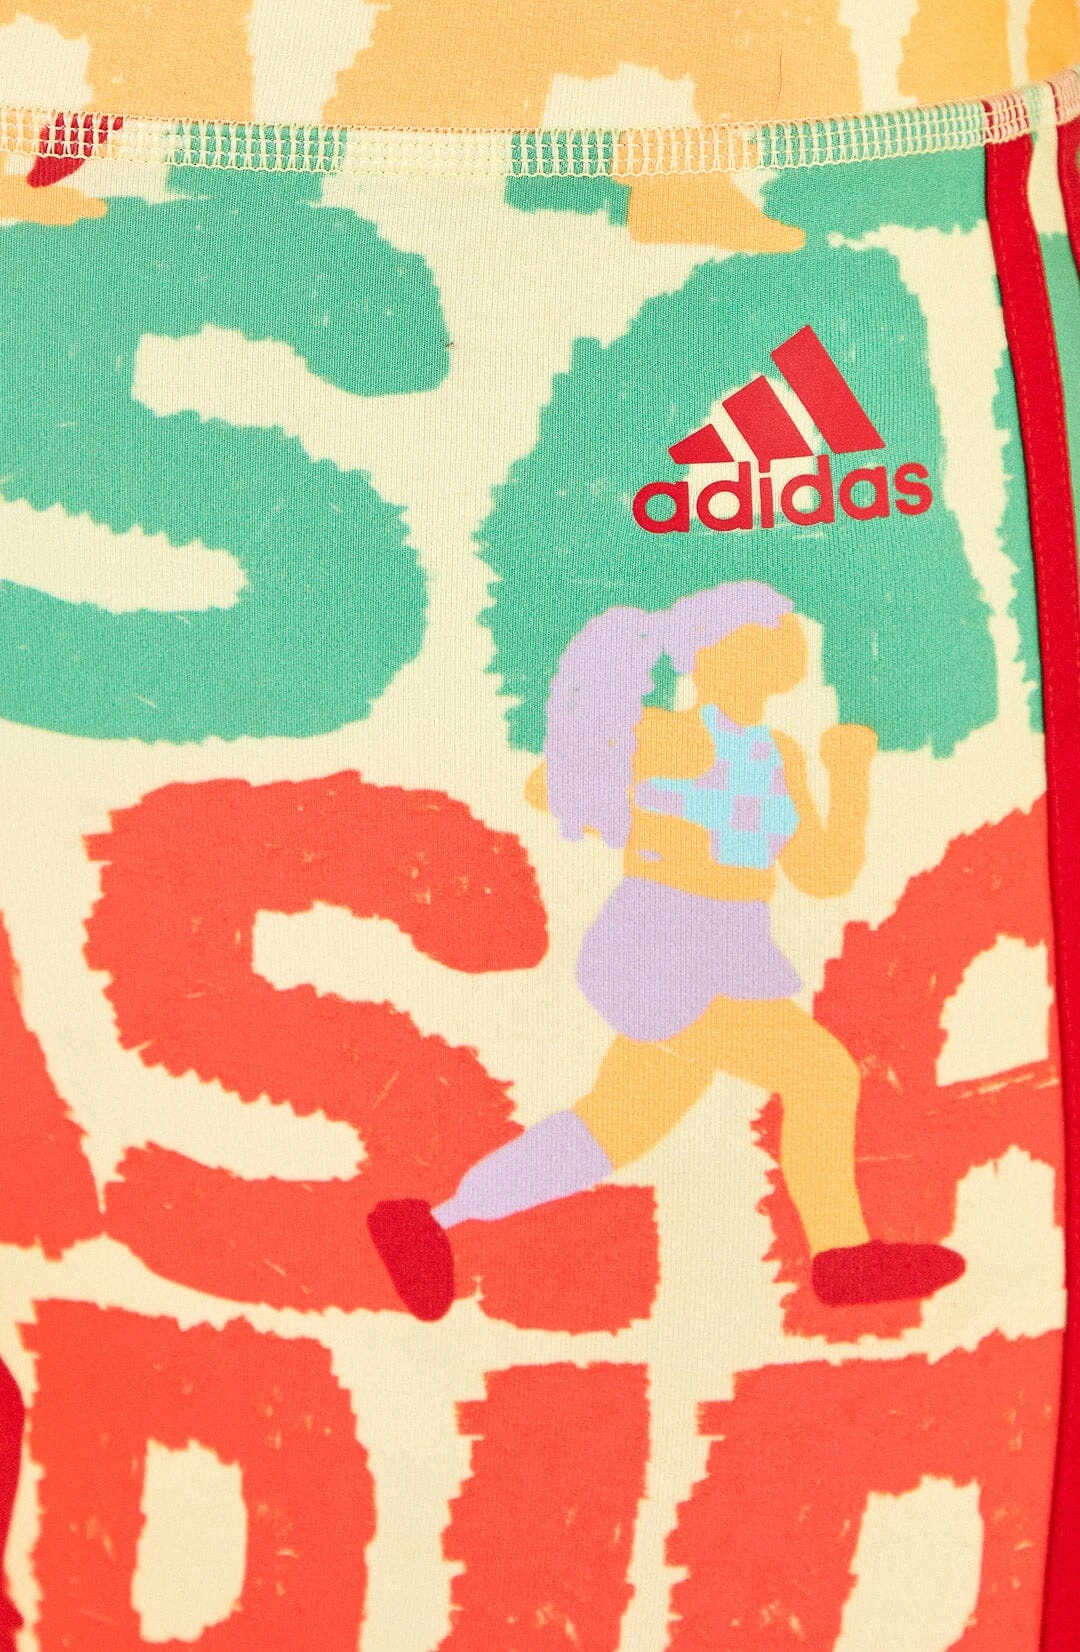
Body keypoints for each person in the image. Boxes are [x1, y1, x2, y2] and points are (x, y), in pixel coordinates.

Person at [368, 580, 966, 1320]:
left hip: (732, 948)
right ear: (703, 657)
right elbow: (550, 785)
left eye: (780, 637)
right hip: (660, 943)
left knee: (616, 1128)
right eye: (756, 638)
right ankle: (842, 1258)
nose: (778, 649)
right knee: (820, 1074)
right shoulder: (663, 737)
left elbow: (822, 874)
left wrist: (849, 776)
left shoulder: (778, 753)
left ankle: (431, 1223)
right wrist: (643, 803)